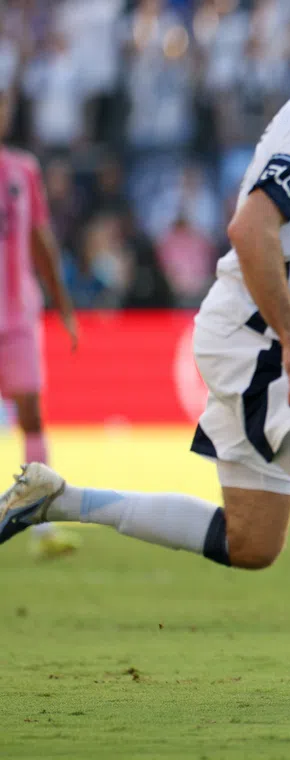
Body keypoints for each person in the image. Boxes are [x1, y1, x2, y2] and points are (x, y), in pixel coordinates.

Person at [0, 6, 290, 742]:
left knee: (254, 542)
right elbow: (250, 230)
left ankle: (57, 497)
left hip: (260, 340)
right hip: (257, 344)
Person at [0, 87, 81, 560]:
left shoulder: (23, 169)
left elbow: (40, 240)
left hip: (18, 316)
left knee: (31, 411)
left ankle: (40, 527)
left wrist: (64, 306)